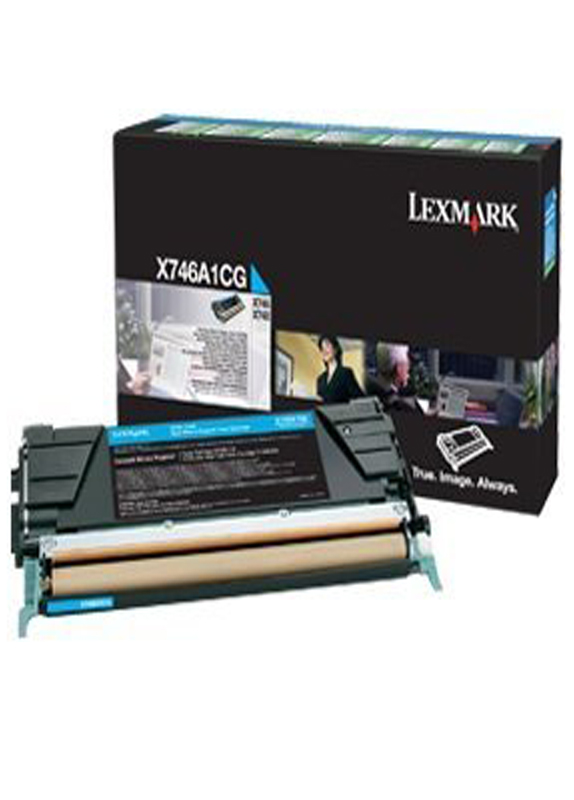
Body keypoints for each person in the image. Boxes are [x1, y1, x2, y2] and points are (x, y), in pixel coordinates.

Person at [366, 342, 422, 413]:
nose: (409, 366)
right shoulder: (403, 406)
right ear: (399, 368)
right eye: (407, 361)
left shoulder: (369, 390)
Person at [316, 335, 364, 403]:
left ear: (336, 349)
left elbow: (359, 398)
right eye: (321, 348)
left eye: (327, 346)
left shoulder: (345, 373)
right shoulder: (320, 380)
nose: (324, 351)